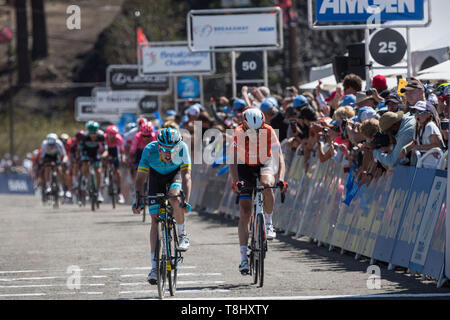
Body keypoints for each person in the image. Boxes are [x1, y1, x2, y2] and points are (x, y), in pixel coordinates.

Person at [228, 108, 288, 275]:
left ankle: (268, 223)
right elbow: (232, 161)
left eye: (258, 129)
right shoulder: (238, 132)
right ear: (244, 125)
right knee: (245, 211)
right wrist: (235, 182)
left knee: (267, 185)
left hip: (265, 162)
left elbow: (279, 158)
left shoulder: (268, 131)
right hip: (244, 166)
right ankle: (243, 259)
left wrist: (281, 179)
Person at [132, 128, 192, 285]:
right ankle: (154, 267)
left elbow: (186, 175)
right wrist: (138, 199)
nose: (168, 153)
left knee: (174, 199)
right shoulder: (149, 150)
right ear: (158, 146)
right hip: (156, 178)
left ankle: (182, 234)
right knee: (154, 220)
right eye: (165, 149)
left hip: (175, 175)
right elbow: (140, 179)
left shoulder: (183, 149)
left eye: (173, 149)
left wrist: (185, 200)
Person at [400, 101, 445, 168]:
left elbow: (438, 145)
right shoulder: (418, 126)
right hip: (423, 165)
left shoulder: (430, 126)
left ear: (429, 114)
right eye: (415, 111)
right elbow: (416, 142)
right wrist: (405, 148)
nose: (417, 115)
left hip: (434, 166)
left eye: (420, 112)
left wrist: (419, 147)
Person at [79, 121, 107, 203]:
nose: (93, 136)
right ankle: (85, 178)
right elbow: (80, 149)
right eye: (91, 134)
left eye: (94, 134)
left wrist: (103, 155)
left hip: (96, 152)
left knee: (97, 171)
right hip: (86, 152)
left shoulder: (101, 136)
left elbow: (105, 149)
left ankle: (98, 192)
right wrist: (79, 157)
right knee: (85, 163)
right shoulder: (84, 136)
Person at [40, 133, 68, 197]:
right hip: (48, 156)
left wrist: (63, 161)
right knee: (47, 168)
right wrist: (42, 163)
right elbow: (42, 157)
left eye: (53, 145)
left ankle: (60, 188)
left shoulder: (59, 143)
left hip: (56, 156)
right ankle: (48, 186)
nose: (51, 146)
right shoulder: (44, 144)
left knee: (59, 169)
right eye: (50, 145)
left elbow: (64, 155)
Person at [104, 125, 125, 204]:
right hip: (107, 150)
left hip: (116, 152)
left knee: (118, 173)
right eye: (110, 137)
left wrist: (123, 158)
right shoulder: (104, 138)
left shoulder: (118, 138)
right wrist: (104, 156)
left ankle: (119, 193)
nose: (112, 138)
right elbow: (105, 150)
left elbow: (122, 151)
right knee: (104, 159)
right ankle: (105, 176)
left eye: (113, 137)